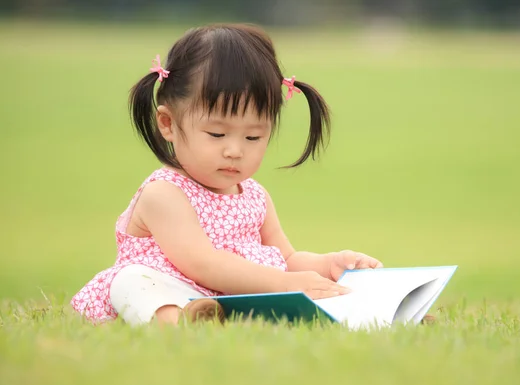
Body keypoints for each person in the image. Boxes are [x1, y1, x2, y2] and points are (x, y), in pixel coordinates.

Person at [70, 23, 384, 327]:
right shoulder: (164, 193)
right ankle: (174, 322)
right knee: (132, 281)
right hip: (172, 290)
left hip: (231, 297)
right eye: (217, 134)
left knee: (284, 294)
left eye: (253, 138)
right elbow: (203, 264)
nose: (234, 150)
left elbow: (286, 258)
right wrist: (284, 283)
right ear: (167, 123)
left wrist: (329, 265)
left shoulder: (254, 196)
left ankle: (222, 316)